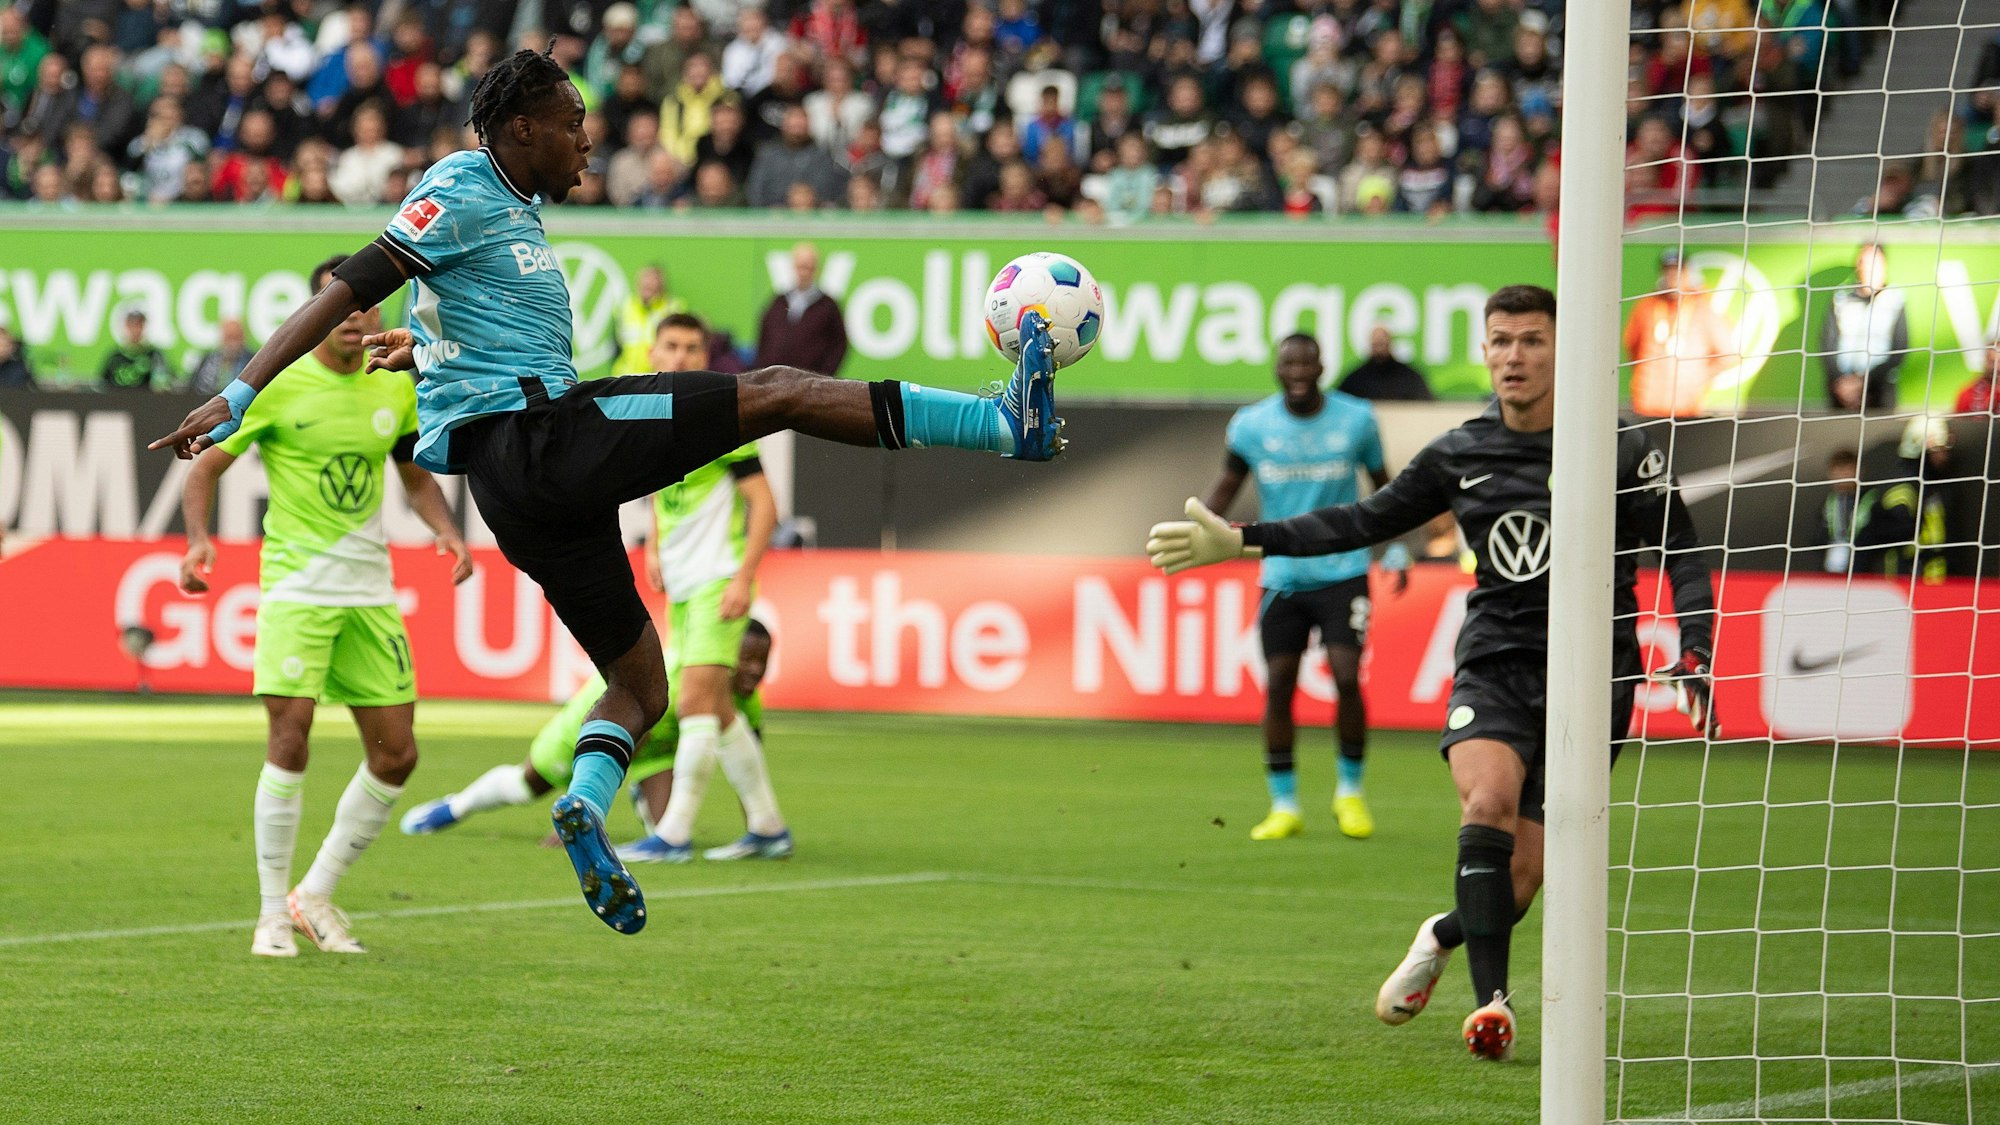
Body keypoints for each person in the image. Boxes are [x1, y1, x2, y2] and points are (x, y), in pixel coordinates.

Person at [155, 47, 1066, 938]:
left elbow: (455, 315)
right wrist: (239, 393)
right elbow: (351, 283)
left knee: (640, 686)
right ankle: (1000, 423)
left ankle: (586, 806)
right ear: (519, 130)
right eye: (572, 124)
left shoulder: (507, 206)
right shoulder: (466, 185)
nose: (589, 141)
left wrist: (425, 349)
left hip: (516, 493)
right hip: (543, 439)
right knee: (780, 388)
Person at [1146, 285, 1717, 1061]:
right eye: (1500, 341)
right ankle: (1494, 1007)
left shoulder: (1616, 446)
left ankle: (1442, 934)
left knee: (1519, 879)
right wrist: (1245, 537)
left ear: (1563, 350)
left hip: (1596, 670)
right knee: (1488, 799)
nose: (1513, 356)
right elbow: (1361, 519)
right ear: (1485, 351)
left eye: (1532, 341)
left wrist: (1696, 648)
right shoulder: (1460, 451)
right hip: (1495, 658)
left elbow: (1679, 550)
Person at [177, 254, 472, 958]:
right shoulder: (276, 388)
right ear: (316, 316)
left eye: (363, 307)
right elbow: (206, 462)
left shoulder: (396, 389)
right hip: (297, 587)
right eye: (338, 308)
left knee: (398, 753)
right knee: (291, 735)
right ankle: (268, 913)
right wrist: (196, 541)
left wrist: (446, 530)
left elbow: (413, 473)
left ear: (378, 313)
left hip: (370, 592)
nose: (352, 318)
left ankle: (313, 892)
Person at [1203, 334, 1401, 843]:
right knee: (1279, 683)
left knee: (1346, 675)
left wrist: (1397, 547)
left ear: (1321, 366)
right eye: (1287, 362)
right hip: (1282, 576)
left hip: (1343, 570)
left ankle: (1350, 793)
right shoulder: (1251, 425)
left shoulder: (1356, 419)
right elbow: (1225, 488)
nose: (1296, 371)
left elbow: (1385, 489)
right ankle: (1284, 804)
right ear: (1277, 367)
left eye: (1305, 362)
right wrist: (1198, 530)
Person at [616, 313, 787, 862]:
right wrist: (656, 549)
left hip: (718, 579)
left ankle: (673, 834)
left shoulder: (719, 422)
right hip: (687, 586)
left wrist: (744, 577)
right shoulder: (651, 416)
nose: (682, 357)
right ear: (653, 352)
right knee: (719, 708)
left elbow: (765, 504)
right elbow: (661, 494)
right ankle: (767, 825)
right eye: (672, 346)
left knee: (692, 702)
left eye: (693, 348)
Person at [400, 623, 772, 841]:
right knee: (525, 785)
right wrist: (583, 829)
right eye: (747, 660)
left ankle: (642, 792)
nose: (755, 670)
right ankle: (455, 806)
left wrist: (757, 823)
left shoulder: (743, 701)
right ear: (724, 656)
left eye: (763, 662)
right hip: (594, 732)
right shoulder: (678, 682)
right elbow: (623, 747)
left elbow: (749, 772)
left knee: (669, 838)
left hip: (652, 752)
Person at [1624, 249, 1737, 418]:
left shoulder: (1702, 308)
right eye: (1668, 271)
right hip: (1646, 405)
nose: (1672, 277)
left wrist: (1698, 377)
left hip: (1685, 408)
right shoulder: (1647, 306)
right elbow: (1631, 344)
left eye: (1678, 271)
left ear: (1688, 273)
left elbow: (1727, 355)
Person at [1819, 243, 1908, 411]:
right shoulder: (1841, 298)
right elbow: (1826, 343)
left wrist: (1864, 382)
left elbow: (1900, 348)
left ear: (1884, 265)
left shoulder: (1895, 299)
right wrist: (1841, 382)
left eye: (1873, 263)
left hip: (1879, 391)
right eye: (1863, 262)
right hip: (1840, 390)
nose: (1867, 268)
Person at [754, 241, 849, 376]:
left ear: (817, 269)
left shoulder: (828, 306)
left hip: (810, 385)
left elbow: (839, 344)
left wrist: (823, 377)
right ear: (793, 267)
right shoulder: (778, 302)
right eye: (800, 267)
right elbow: (763, 339)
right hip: (775, 383)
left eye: (808, 267)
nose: (804, 273)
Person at [611, 264, 685, 376]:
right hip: (626, 376)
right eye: (645, 280)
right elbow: (616, 345)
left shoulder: (673, 308)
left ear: (662, 285)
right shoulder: (625, 307)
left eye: (653, 280)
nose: (648, 283)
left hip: (657, 377)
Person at [1338, 325, 1436, 401]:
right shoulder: (1354, 380)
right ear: (1370, 343)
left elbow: (1425, 406)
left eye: (1382, 341)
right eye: (1376, 341)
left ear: (1390, 341)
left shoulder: (1411, 378)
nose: (1379, 344)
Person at [100, 308, 172, 390]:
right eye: (132, 325)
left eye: (139, 325)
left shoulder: (155, 356)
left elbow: (165, 383)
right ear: (126, 326)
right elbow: (103, 385)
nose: (135, 330)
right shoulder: (115, 358)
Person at [1818, 447, 1862, 574]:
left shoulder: (1871, 500)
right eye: (1838, 470)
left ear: (1858, 470)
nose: (1843, 475)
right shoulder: (1827, 503)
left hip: (1862, 570)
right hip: (1830, 569)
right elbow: (1817, 538)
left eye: (1847, 469)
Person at [187, 318, 253, 395]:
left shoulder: (252, 362)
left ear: (243, 337)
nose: (232, 343)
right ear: (221, 337)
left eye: (236, 337)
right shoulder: (207, 361)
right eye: (229, 337)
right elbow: (191, 388)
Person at [1955, 333, 2000, 413]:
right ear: (1985, 361)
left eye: (1999, 362)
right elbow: (1958, 423)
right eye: (1992, 362)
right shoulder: (1968, 394)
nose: (1996, 367)